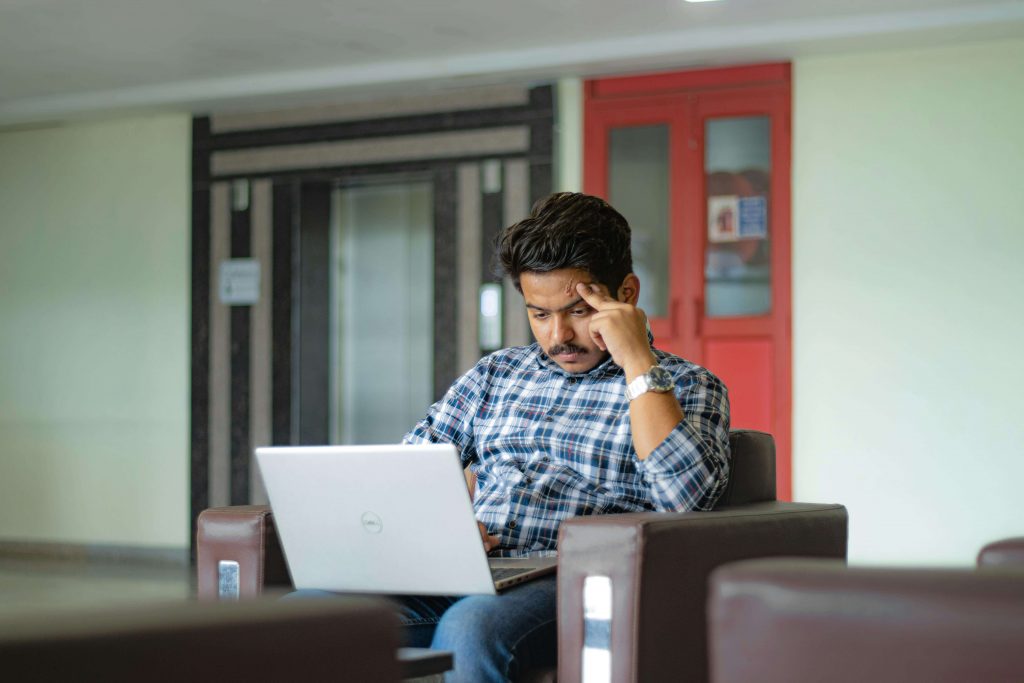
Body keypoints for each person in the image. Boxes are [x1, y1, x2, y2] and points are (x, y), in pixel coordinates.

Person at [399, 191, 731, 681]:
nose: (558, 336)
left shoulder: (685, 385)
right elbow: (410, 470)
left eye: (578, 311)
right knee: (315, 613)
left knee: (471, 628)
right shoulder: (496, 375)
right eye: (539, 314)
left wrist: (637, 361)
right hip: (474, 570)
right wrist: (443, 532)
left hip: (576, 579)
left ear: (627, 295)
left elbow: (686, 500)